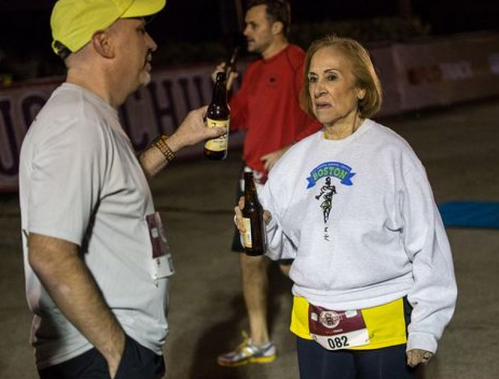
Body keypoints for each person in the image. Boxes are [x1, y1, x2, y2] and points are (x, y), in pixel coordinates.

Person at [18, 1, 225, 378]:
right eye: (140, 29)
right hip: (100, 356)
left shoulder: (89, 116)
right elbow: (49, 253)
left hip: (108, 351)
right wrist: (119, 353)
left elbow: (117, 184)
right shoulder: (75, 124)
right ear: (104, 43)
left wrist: (179, 139)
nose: (152, 43)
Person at [234, 35, 458, 379]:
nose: (319, 88)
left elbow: (427, 243)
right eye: (313, 78)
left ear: (361, 89)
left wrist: (426, 325)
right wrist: (260, 228)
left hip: (384, 321)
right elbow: (283, 247)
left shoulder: (392, 154)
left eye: (332, 77)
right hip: (313, 321)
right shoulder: (294, 161)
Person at [212, 0, 321, 367]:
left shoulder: (299, 62)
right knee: (250, 259)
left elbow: (322, 116)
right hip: (252, 179)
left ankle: (340, 325)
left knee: (292, 264)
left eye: (252, 24)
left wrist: (290, 150)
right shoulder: (256, 71)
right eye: (245, 25)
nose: (245, 31)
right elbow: (237, 119)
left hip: (288, 181)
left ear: (277, 27)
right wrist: (222, 91)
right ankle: (260, 341)